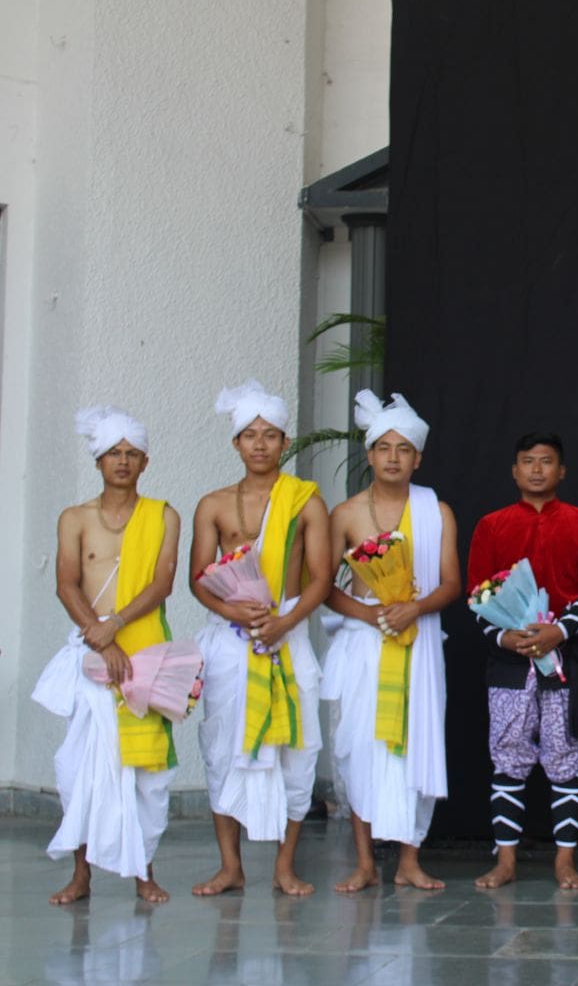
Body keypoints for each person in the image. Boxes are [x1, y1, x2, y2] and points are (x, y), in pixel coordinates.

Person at [33, 407, 181, 904]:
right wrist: (101, 636)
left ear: (145, 463)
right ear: (98, 462)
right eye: (113, 453)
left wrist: (116, 628)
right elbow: (66, 584)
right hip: (92, 653)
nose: (122, 461)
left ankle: (144, 874)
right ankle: (82, 876)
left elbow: (162, 583)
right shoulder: (74, 517)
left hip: (145, 652)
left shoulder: (163, 515)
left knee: (144, 775)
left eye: (131, 453)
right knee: (84, 771)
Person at [189, 380, 332, 896]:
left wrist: (285, 623)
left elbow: (320, 577)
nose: (260, 445)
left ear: (284, 443)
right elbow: (197, 577)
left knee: (296, 751)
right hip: (230, 640)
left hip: (286, 635)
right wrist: (233, 610)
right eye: (250, 435)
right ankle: (230, 866)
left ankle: (284, 867)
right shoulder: (213, 505)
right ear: (236, 444)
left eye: (270, 436)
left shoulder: (304, 502)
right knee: (223, 747)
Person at [324, 391, 460, 892]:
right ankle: (364, 863)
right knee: (361, 747)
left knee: (414, 747)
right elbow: (322, 588)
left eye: (404, 449)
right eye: (384, 448)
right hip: (363, 646)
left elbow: (451, 583)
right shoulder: (345, 514)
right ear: (369, 454)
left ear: (418, 458)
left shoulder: (436, 510)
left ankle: (409, 859)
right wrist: (370, 613)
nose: (393, 457)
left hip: (419, 643)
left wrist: (413, 609)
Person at [467, 432, 578, 890]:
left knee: (566, 757)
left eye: (546, 462)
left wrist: (559, 631)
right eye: (528, 461)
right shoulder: (491, 525)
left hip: (566, 658)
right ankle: (505, 860)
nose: (537, 469)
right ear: (514, 470)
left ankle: (564, 861)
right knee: (508, 758)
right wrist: (505, 636)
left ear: (561, 470)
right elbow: (476, 595)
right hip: (507, 663)